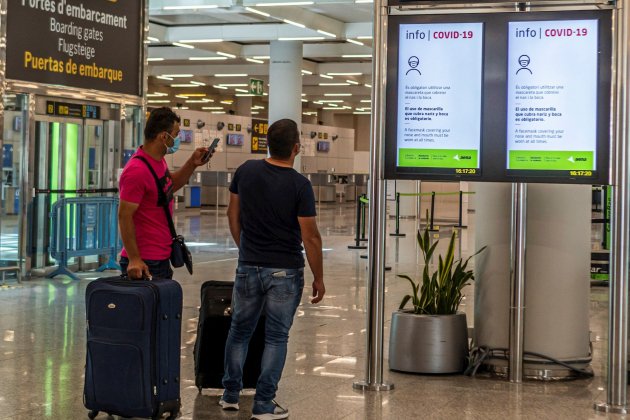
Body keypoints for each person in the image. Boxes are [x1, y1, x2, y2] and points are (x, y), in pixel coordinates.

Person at [221, 119, 325, 420]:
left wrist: (245, 249)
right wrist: (319, 276)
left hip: (248, 266)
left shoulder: (246, 171)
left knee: (239, 331)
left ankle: (230, 394)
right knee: (276, 337)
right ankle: (264, 404)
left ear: (267, 144)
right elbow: (310, 236)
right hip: (285, 271)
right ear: (296, 148)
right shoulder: (299, 185)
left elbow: (233, 214)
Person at [118, 107, 212, 280]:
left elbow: (169, 186)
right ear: (163, 136)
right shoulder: (136, 171)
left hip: (160, 255)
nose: (177, 139)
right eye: (175, 134)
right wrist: (134, 259)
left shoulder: (158, 162)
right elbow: (124, 216)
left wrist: (192, 163)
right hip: (145, 260)